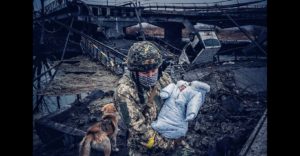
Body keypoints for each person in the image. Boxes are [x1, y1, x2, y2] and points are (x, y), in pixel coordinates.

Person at [114, 41, 192, 156]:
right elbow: (137, 128)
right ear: (135, 71)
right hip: (146, 148)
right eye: (145, 72)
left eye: (153, 70)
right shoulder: (124, 92)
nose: (150, 75)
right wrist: (169, 144)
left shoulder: (163, 78)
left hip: (171, 137)